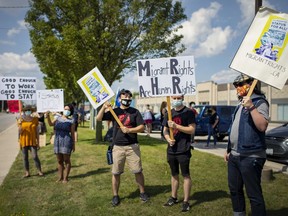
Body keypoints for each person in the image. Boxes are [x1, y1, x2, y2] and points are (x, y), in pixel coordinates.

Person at [224, 74, 269, 216]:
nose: (237, 87)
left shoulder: (260, 102)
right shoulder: (240, 104)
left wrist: (251, 107)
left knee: (253, 194)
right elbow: (234, 128)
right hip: (235, 156)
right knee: (235, 190)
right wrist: (229, 149)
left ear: (251, 84)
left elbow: (262, 126)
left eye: (240, 84)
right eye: (235, 85)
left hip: (251, 156)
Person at [96, 89, 149, 206]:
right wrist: (104, 107)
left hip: (132, 146)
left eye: (129, 99)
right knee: (116, 173)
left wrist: (130, 130)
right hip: (118, 147)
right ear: (119, 99)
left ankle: (142, 192)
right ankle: (115, 196)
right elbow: (99, 118)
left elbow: (141, 127)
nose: (127, 101)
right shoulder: (114, 111)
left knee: (138, 171)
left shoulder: (135, 112)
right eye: (124, 99)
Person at [162, 95, 196, 212]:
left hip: (184, 149)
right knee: (174, 174)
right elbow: (165, 130)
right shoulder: (169, 113)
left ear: (182, 97)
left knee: (185, 175)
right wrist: (168, 139)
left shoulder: (189, 112)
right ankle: (174, 197)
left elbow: (192, 129)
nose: (176, 100)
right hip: (172, 149)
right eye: (174, 98)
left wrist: (176, 126)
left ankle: (186, 201)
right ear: (171, 98)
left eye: (179, 98)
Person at [46, 104, 76, 183]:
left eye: (68, 110)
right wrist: (47, 116)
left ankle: (66, 178)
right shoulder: (57, 118)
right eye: (65, 109)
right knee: (59, 160)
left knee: (66, 160)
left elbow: (72, 133)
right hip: (58, 141)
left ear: (70, 111)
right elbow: (50, 124)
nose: (66, 111)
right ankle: (60, 177)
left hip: (66, 141)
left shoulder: (71, 121)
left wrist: (73, 144)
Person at [17, 105, 44, 178]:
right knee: (25, 157)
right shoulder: (20, 119)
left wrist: (38, 142)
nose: (28, 111)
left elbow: (37, 132)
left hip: (32, 140)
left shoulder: (35, 119)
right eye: (26, 110)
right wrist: (19, 124)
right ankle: (27, 172)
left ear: (31, 111)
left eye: (29, 110)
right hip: (24, 140)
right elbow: (19, 132)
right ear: (24, 111)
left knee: (35, 156)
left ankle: (39, 171)